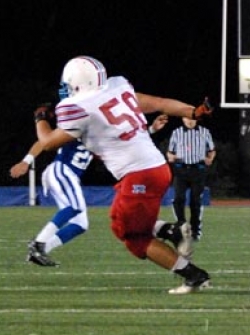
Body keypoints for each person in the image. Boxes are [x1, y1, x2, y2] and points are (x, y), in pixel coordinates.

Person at [34, 55, 212, 294]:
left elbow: (47, 143)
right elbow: (158, 102)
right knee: (120, 219)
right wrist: (192, 111)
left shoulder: (80, 108)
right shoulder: (117, 89)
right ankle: (172, 232)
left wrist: (40, 119)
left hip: (139, 174)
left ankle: (193, 275)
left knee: (133, 236)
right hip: (157, 168)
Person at [10, 112, 169, 266]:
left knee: (80, 224)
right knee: (73, 208)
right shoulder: (78, 123)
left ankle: (41, 249)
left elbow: (125, 140)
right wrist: (27, 161)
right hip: (62, 169)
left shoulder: (100, 133)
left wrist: (152, 130)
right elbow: (44, 141)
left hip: (70, 174)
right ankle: (38, 243)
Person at [166, 98, 215, 246]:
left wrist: (209, 159)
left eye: (192, 118)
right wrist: (171, 157)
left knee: (195, 200)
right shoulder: (176, 133)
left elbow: (212, 150)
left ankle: (195, 229)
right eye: (187, 118)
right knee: (179, 198)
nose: (190, 121)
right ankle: (181, 225)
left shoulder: (205, 132)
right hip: (181, 169)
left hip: (197, 169)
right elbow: (169, 152)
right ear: (182, 118)